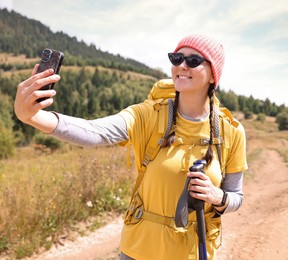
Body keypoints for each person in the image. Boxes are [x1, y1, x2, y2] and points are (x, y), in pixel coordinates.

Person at [14, 34, 247, 260]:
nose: (182, 65)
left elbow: (236, 197)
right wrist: (32, 117)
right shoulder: (147, 114)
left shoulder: (231, 131)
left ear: (213, 75)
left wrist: (217, 196)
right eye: (176, 58)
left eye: (193, 61)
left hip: (192, 253)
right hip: (138, 251)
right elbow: (95, 132)